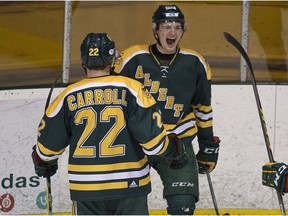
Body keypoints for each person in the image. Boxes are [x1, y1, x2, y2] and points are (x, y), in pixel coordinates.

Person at [31, 32, 185, 215]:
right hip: (130, 184)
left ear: (83, 62)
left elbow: (46, 150)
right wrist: (174, 150)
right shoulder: (132, 88)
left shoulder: (67, 95)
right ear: (112, 59)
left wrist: (44, 162)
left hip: (86, 188)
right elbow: (153, 144)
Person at [113, 5, 220, 215]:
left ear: (183, 31)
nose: (172, 32)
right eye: (166, 27)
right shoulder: (131, 58)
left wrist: (208, 145)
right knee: (125, 206)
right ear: (155, 31)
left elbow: (202, 108)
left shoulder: (195, 62)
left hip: (177, 141)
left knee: (183, 205)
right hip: (135, 142)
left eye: (177, 27)